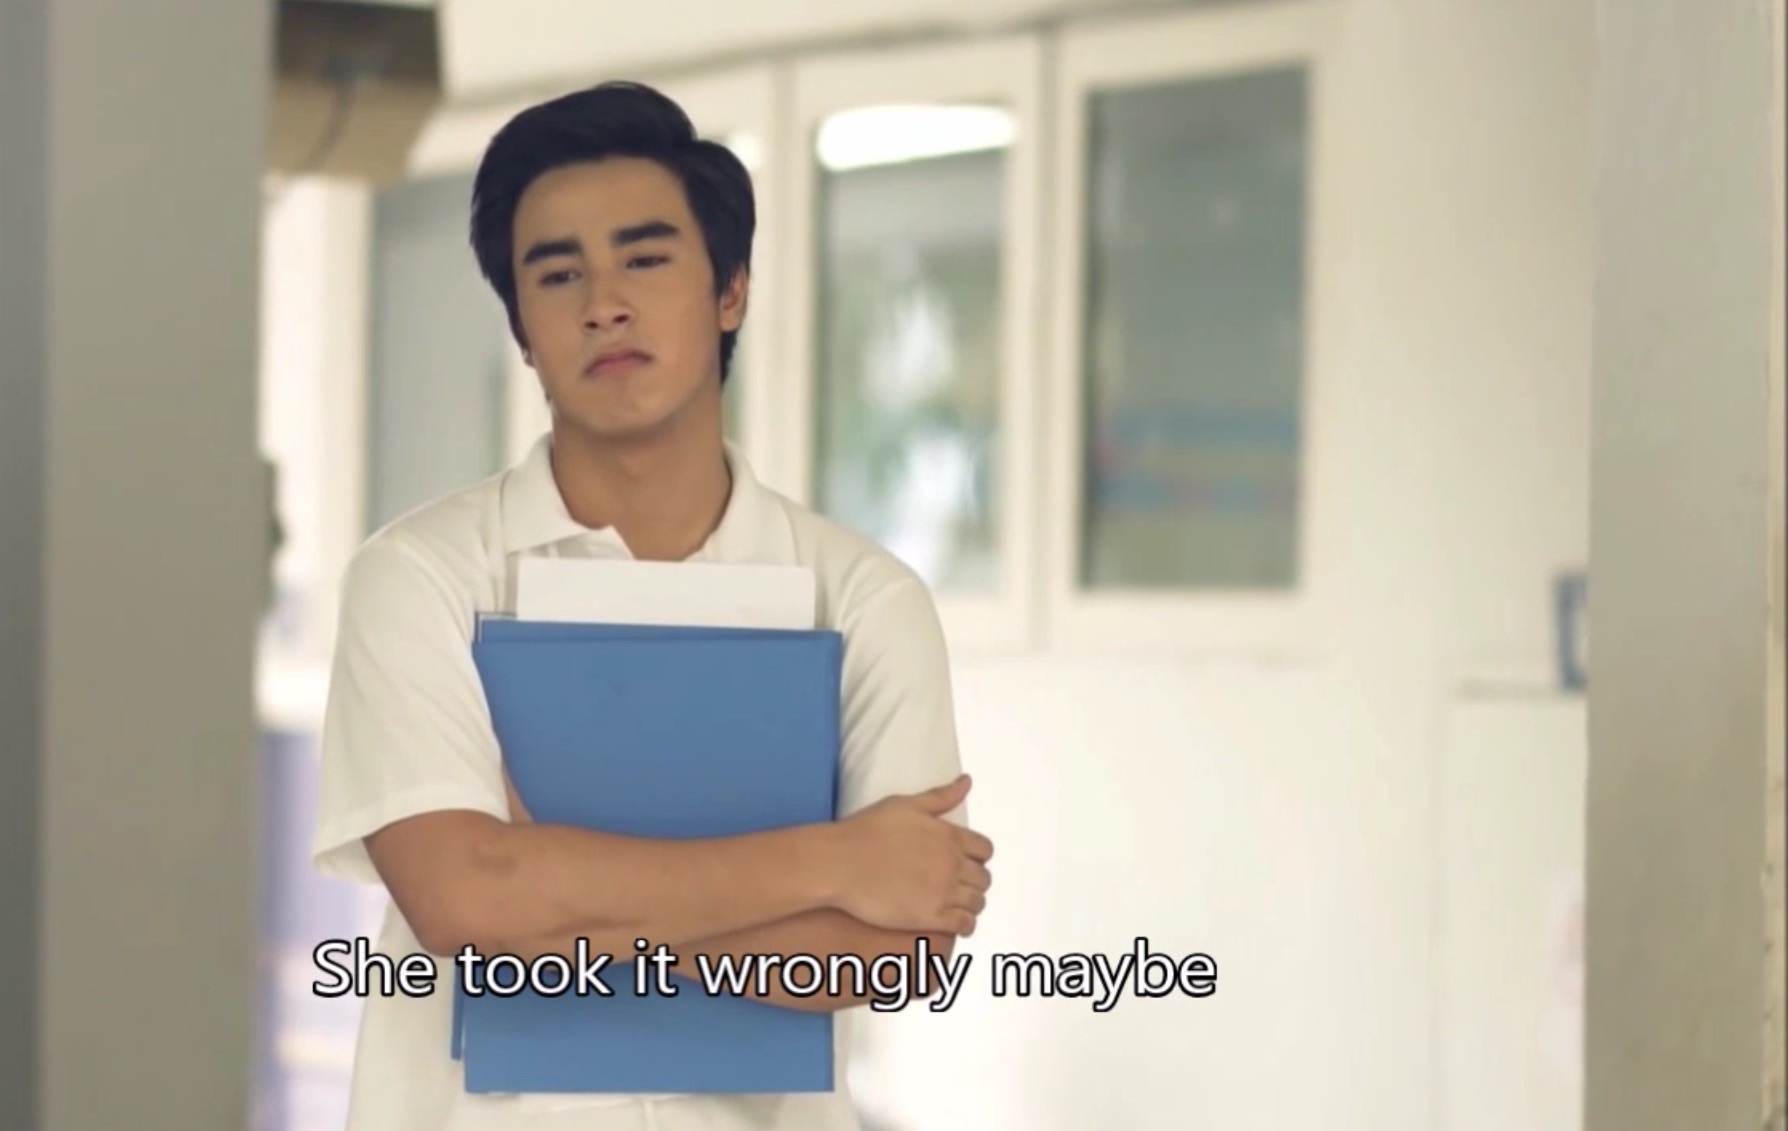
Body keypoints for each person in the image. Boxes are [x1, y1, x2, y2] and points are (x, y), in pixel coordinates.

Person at [309, 80, 995, 1131]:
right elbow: (466, 902)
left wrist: (549, 888)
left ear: (730, 291)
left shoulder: (863, 602)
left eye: (644, 258)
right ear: (522, 330)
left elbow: (889, 956)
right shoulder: (421, 579)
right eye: (558, 274)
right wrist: (831, 863)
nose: (604, 303)